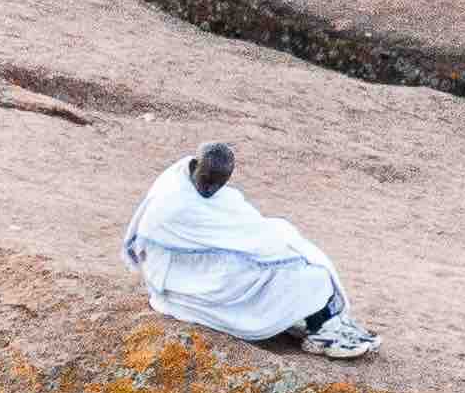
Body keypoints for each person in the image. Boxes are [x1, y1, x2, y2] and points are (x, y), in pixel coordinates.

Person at [123, 142, 377, 360]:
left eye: (218, 184)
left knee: (293, 245)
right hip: (187, 281)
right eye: (207, 181)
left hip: (213, 261)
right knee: (303, 275)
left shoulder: (218, 193)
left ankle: (322, 322)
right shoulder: (170, 202)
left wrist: (266, 243)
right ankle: (321, 330)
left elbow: (241, 225)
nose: (211, 189)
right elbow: (151, 254)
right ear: (195, 166)